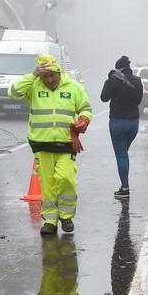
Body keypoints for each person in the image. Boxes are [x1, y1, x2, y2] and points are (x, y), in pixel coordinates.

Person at [10, 54, 92, 236]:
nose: (49, 80)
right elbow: (13, 92)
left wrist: (84, 120)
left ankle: (66, 216)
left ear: (58, 71)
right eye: (44, 76)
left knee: (65, 178)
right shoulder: (34, 86)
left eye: (51, 75)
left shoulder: (74, 87)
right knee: (47, 184)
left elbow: (86, 107)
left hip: (66, 143)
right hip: (41, 144)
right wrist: (33, 75)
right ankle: (50, 221)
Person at [100, 55, 143, 198]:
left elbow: (103, 98)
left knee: (121, 155)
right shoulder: (137, 81)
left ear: (118, 68)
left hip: (117, 121)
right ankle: (124, 185)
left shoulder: (113, 81)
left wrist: (109, 80)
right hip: (133, 122)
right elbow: (139, 100)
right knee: (123, 153)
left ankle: (125, 188)